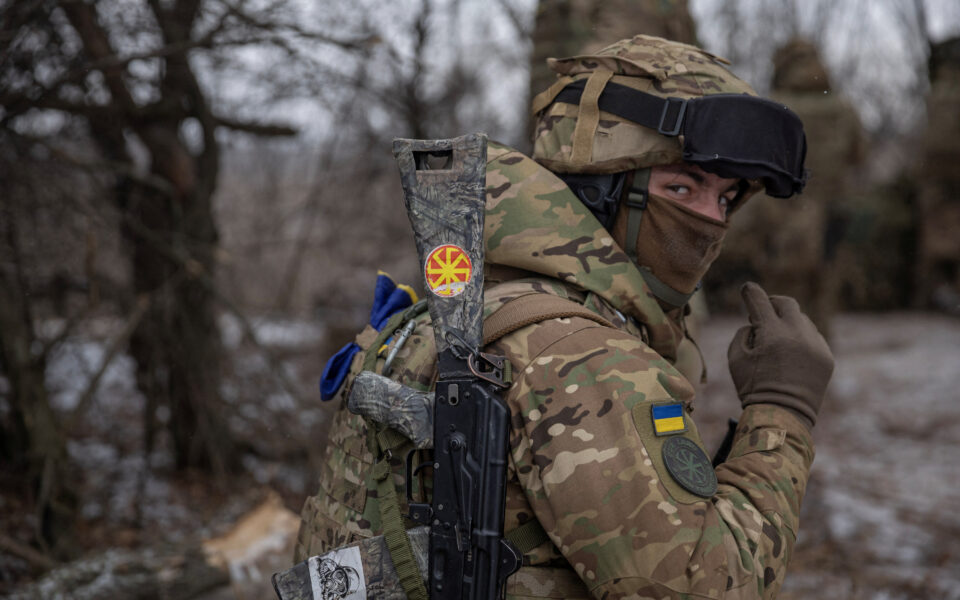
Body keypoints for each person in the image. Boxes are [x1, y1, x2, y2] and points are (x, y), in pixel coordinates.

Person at [294, 34, 834, 599]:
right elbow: (710, 589)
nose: (710, 220)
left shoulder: (462, 310)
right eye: (682, 187)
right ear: (603, 187)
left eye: (725, 198)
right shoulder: (580, 356)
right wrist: (783, 408)